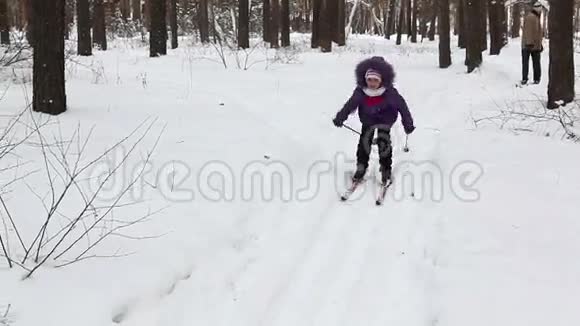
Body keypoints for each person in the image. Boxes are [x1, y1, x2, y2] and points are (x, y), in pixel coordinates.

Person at [332, 56, 415, 185]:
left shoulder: (389, 92)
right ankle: (361, 166)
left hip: (385, 119)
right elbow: (350, 104)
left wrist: (408, 124)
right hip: (368, 119)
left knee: (383, 142)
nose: (372, 83)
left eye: (375, 80)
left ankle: (386, 168)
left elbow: (402, 107)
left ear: (381, 80)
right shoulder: (361, 91)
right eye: (369, 79)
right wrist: (340, 117)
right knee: (364, 143)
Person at [521, 1, 544, 85]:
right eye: (540, 9)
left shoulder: (535, 17)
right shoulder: (531, 17)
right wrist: (530, 43)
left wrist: (540, 44)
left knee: (533, 63)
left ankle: (535, 78)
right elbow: (529, 31)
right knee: (531, 63)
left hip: (533, 45)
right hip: (529, 45)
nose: (541, 10)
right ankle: (527, 79)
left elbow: (537, 33)